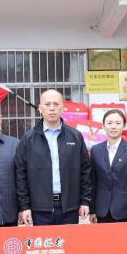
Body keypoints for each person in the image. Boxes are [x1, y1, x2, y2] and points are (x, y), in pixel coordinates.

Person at [15, 89, 92, 226]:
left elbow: (85, 171)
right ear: (40, 108)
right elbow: (21, 174)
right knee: (45, 241)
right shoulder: (28, 139)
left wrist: (85, 201)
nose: (52, 108)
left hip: (69, 207)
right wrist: (24, 206)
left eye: (56, 104)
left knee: (69, 240)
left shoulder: (75, 136)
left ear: (62, 108)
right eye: (47, 104)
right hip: (40, 209)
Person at [90, 109, 127, 224]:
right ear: (103, 126)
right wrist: (92, 209)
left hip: (126, 211)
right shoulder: (96, 150)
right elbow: (93, 182)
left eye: (118, 123)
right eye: (109, 123)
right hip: (102, 211)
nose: (113, 126)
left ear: (124, 126)